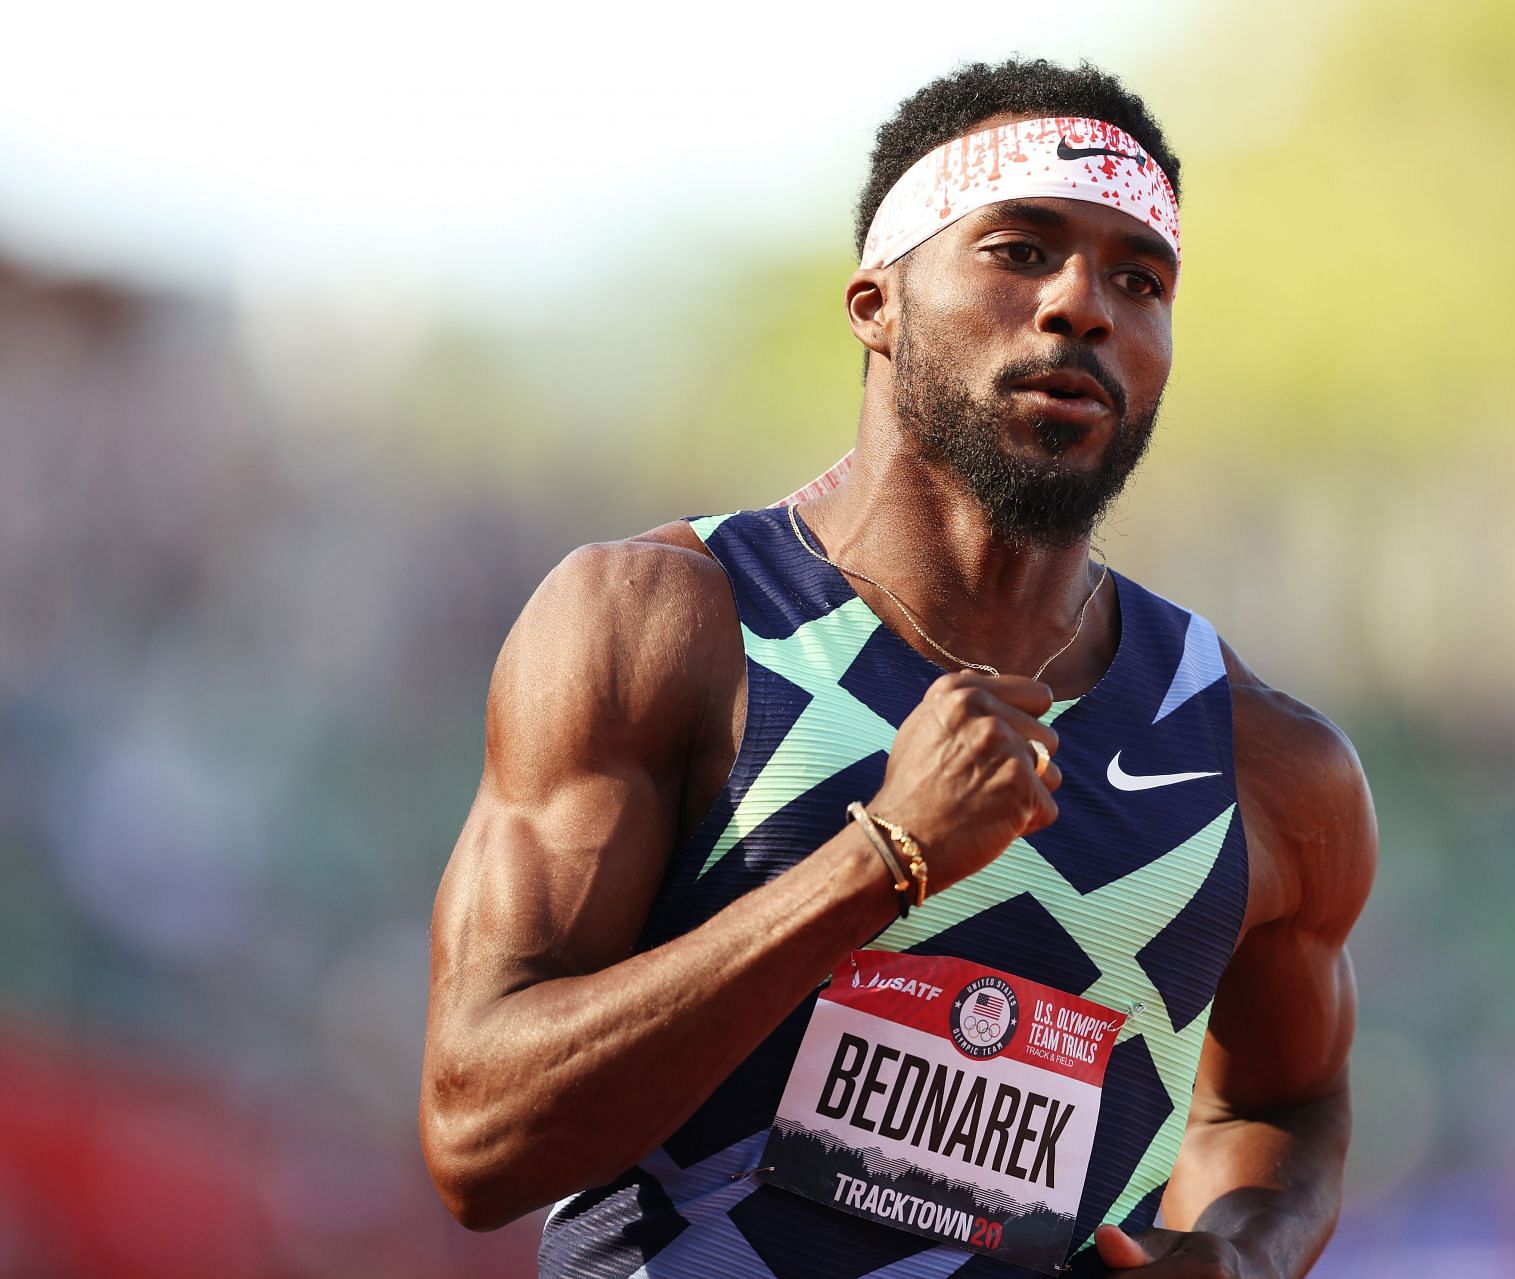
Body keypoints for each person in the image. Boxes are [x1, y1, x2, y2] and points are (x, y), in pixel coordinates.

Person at [420, 58, 1377, 1279]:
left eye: (1139, 279)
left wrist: (1240, 1255)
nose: (1082, 303)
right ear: (877, 302)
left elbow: (1280, 1111)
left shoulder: (1261, 761)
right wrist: (882, 863)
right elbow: (477, 1138)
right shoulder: (662, 626)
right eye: (1021, 249)